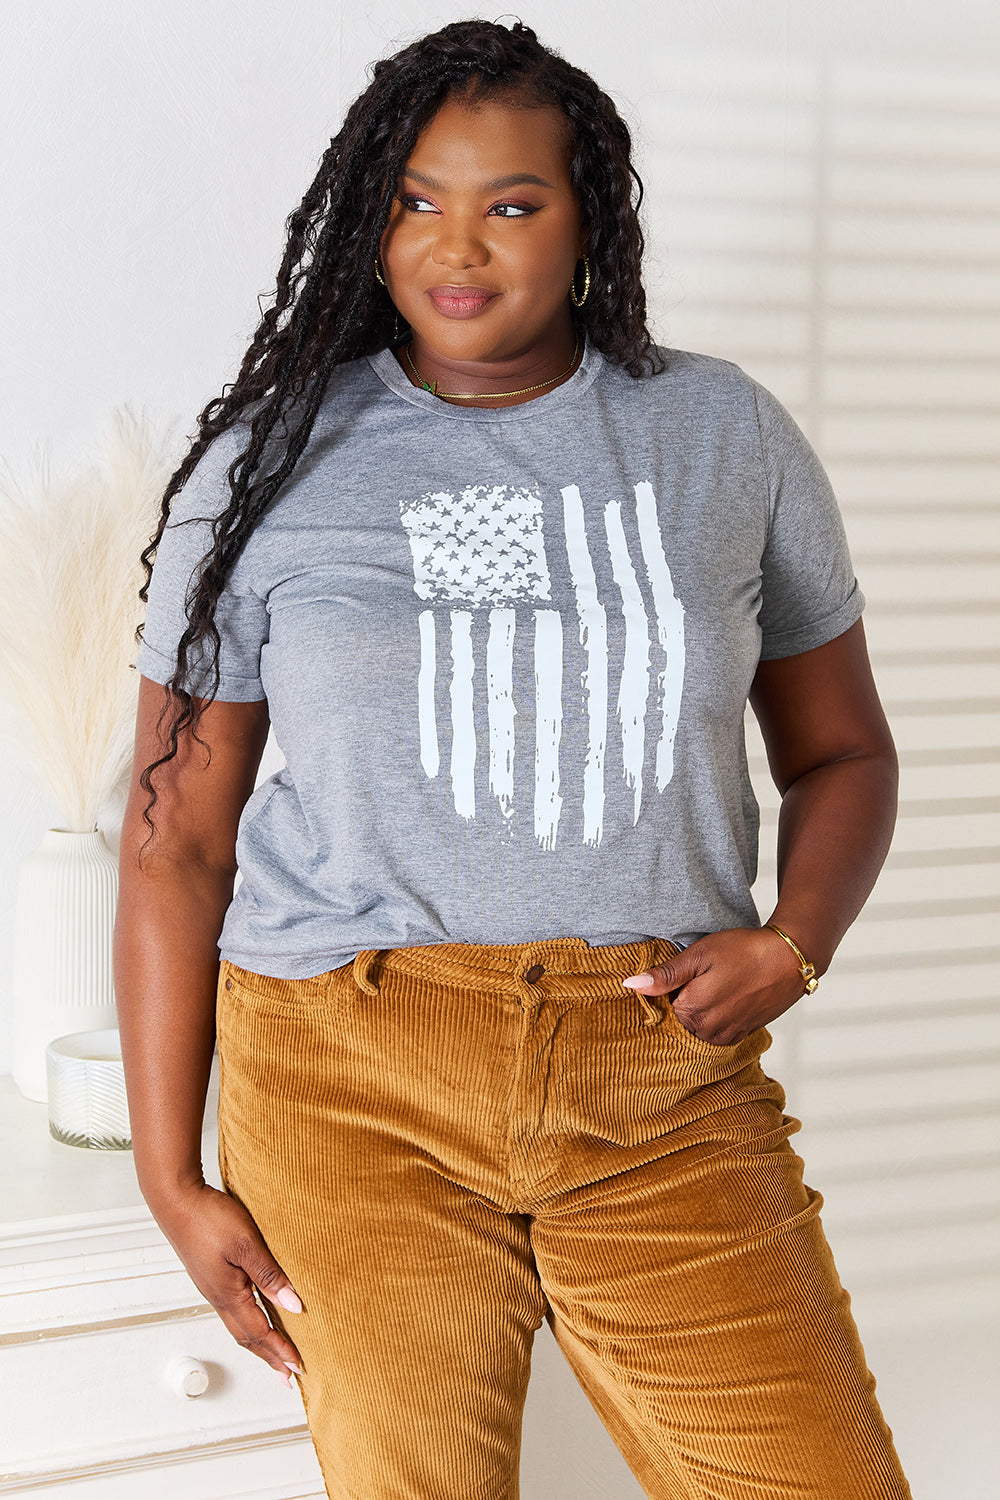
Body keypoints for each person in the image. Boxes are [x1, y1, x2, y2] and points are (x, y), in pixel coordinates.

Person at [114, 18, 912, 1499]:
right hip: (347, 1072)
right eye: (415, 200)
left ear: (588, 219)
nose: (454, 247)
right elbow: (176, 835)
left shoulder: (720, 434)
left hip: (659, 1072)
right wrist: (173, 1176)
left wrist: (798, 942)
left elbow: (845, 749)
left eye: (512, 203)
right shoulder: (272, 460)